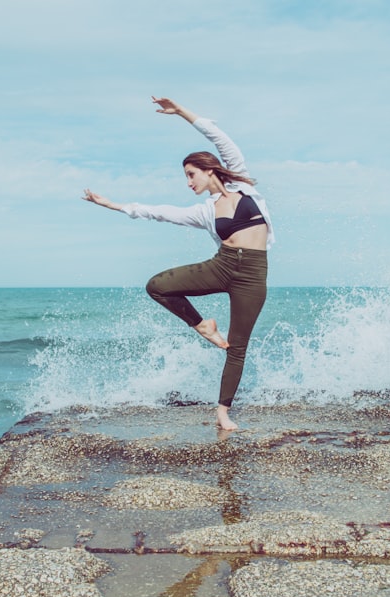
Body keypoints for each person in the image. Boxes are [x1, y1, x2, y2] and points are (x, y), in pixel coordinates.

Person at [82, 96, 275, 431]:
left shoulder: (242, 184)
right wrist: (112, 205)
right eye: (186, 177)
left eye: (191, 175)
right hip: (223, 266)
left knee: (238, 346)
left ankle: (222, 413)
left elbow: (219, 137)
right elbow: (158, 211)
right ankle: (202, 326)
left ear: (209, 169)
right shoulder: (204, 211)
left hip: (254, 275)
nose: (189, 183)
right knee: (157, 286)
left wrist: (181, 112)